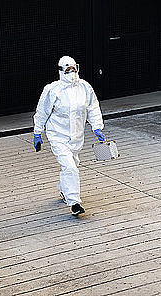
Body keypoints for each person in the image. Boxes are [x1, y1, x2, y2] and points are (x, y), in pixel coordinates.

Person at [33, 56, 106, 216]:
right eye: (68, 69)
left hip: (77, 137)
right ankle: (74, 202)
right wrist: (38, 132)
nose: (72, 72)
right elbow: (42, 112)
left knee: (71, 164)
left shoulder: (85, 88)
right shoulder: (52, 90)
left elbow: (93, 107)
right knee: (70, 167)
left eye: (74, 68)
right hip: (58, 136)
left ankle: (63, 188)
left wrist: (97, 127)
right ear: (61, 71)